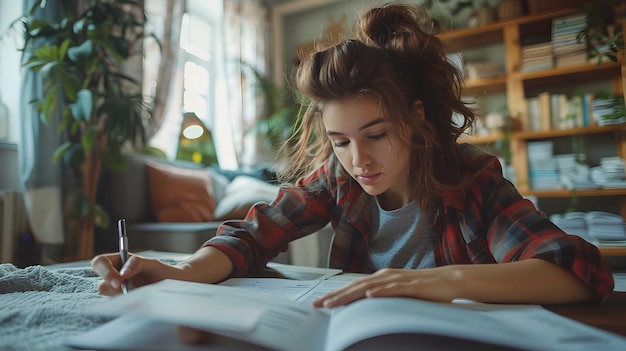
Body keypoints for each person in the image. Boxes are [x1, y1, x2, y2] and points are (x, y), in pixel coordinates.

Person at [92, 2, 614, 309]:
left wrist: (438, 281)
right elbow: (252, 235)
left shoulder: (471, 177)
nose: (358, 158)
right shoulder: (337, 179)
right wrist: (178, 273)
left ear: (414, 118)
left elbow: (573, 267)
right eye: (340, 141)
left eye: (377, 133)